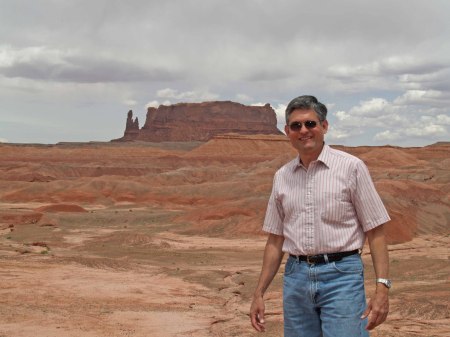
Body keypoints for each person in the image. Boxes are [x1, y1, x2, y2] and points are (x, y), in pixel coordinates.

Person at [250, 95, 391, 337]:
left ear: (324, 127)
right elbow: (275, 240)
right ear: (287, 131)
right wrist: (259, 293)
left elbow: (376, 231)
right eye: (296, 126)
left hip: (342, 275)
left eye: (310, 124)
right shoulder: (282, 176)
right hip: (296, 277)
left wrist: (382, 288)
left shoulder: (351, 167)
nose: (303, 130)